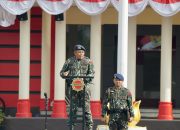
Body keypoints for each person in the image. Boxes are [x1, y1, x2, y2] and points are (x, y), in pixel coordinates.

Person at [60, 44, 94, 130]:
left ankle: (89, 126)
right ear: (75, 53)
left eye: (82, 52)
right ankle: (71, 126)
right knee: (72, 109)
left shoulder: (88, 61)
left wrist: (84, 80)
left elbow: (92, 73)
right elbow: (62, 73)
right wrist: (64, 74)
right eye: (79, 52)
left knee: (86, 108)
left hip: (85, 88)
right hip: (73, 89)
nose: (81, 54)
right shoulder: (69, 61)